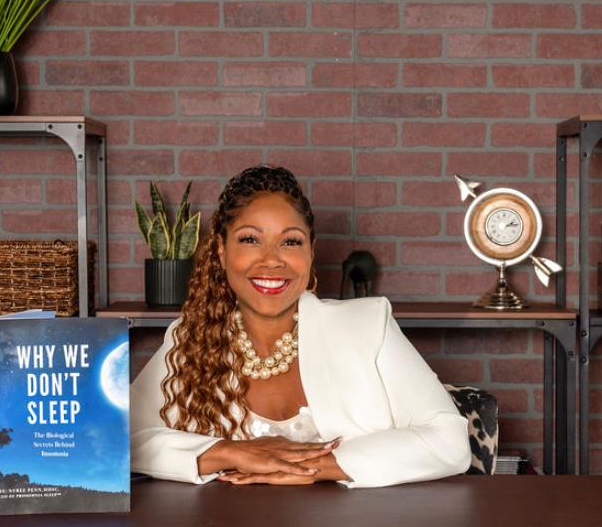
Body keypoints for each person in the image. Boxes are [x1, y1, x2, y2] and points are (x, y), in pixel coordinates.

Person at [130, 165, 469, 487]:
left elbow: (450, 441)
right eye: (250, 239)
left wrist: (318, 468)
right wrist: (230, 453)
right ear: (220, 250)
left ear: (310, 252)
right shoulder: (191, 338)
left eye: (290, 241)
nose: (272, 259)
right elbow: (117, 438)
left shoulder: (368, 326)